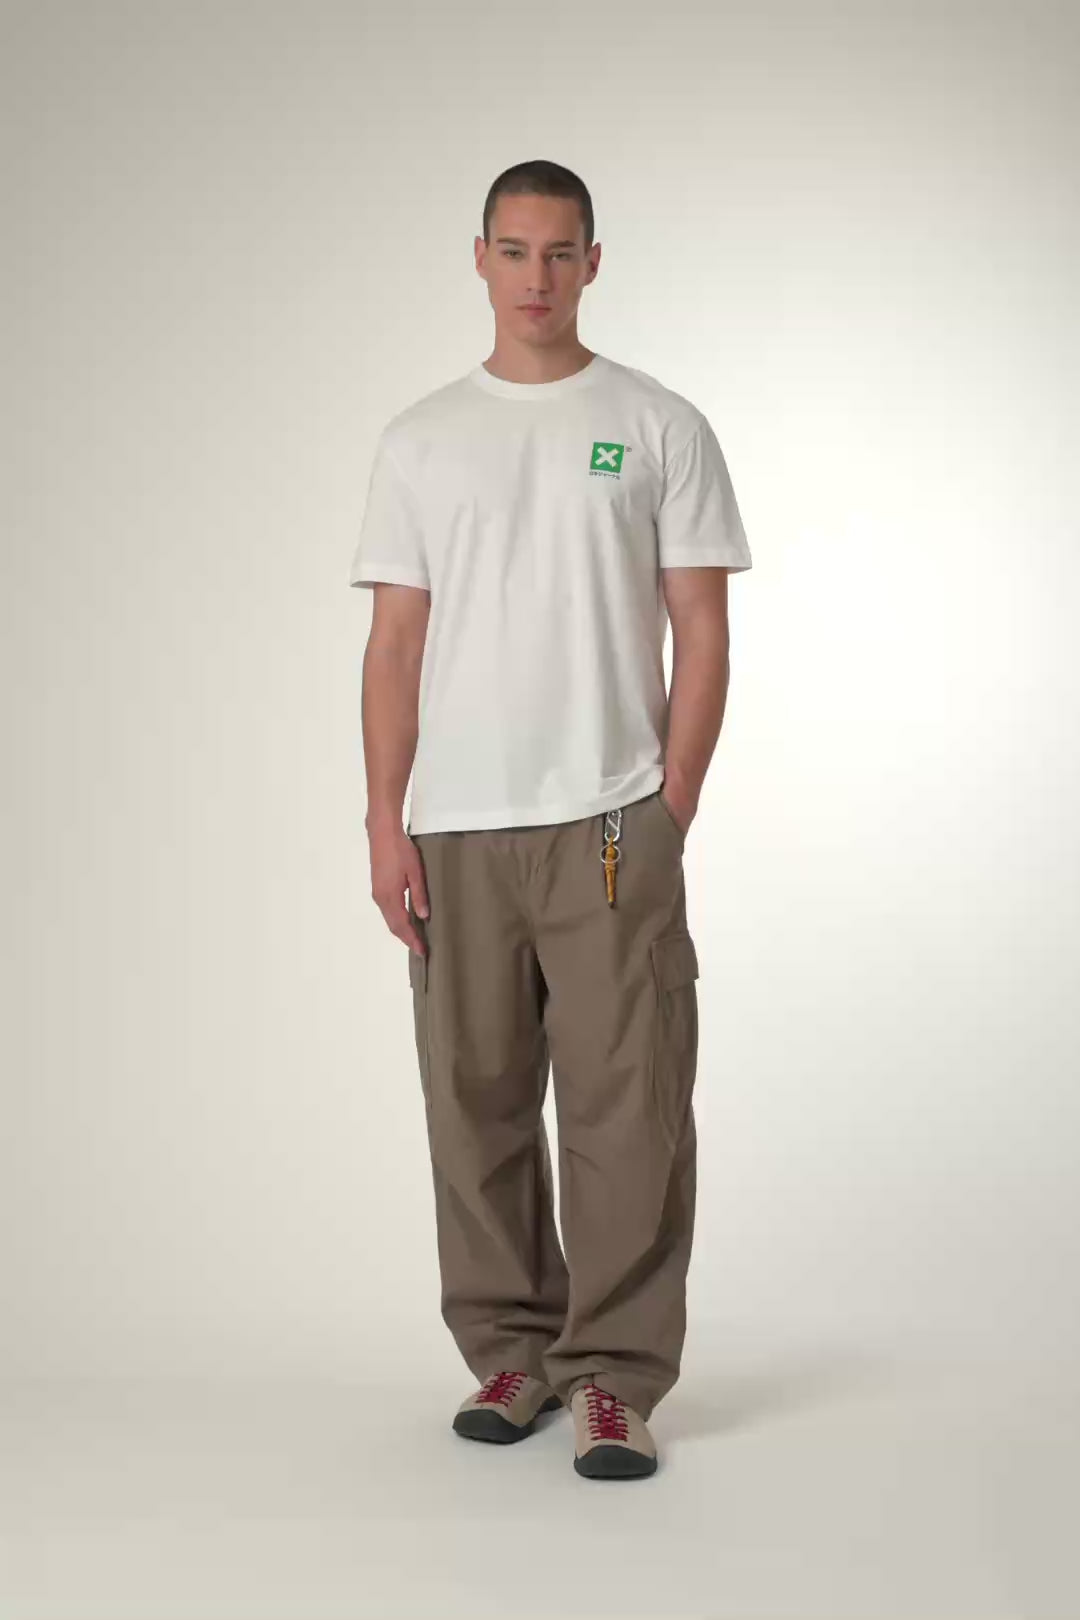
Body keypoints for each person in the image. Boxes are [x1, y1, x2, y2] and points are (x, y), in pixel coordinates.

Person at [349, 159, 752, 1480]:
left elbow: (702, 628)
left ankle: (615, 1377)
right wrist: (384, 821)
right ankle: (514, 1351)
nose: (536, 277)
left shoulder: (656, 423)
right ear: (480, 258)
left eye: (560, 252)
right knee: (474, 1101)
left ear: (593, 262)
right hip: (457, 826)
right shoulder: (420, 440)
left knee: (628, 1106)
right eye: (514, 251)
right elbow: (394, 644)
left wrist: (670, 802)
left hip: (613, 821)